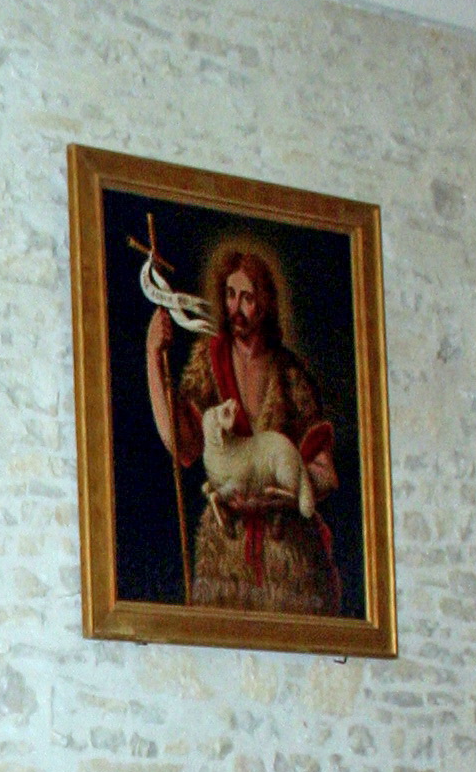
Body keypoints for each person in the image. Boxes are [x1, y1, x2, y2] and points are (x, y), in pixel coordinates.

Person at [146, 246, 340, 613]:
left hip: (287, 554)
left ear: (264, 304)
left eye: (248, 298)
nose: (236, 307)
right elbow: (182, 443)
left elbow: (325, 473)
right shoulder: (209, 361)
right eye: (231, 295)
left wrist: (278, 497)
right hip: (226, 551)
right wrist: (153, 356)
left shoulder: (291, 375)